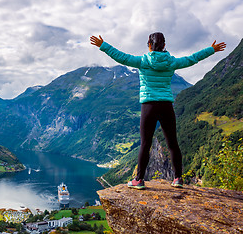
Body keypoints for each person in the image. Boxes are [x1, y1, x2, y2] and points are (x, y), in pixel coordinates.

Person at [90, 32, 226, 189]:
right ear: (164, 45)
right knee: (172, 143)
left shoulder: (142, 61)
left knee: (145, 144)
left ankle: (139, 180)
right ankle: (178, 179)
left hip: (149, 106)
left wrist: (103, 45)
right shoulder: (172, 62)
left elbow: (122, 57)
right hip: (166, 105)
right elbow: (192, 59)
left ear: (149, 45)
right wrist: (211, 49)